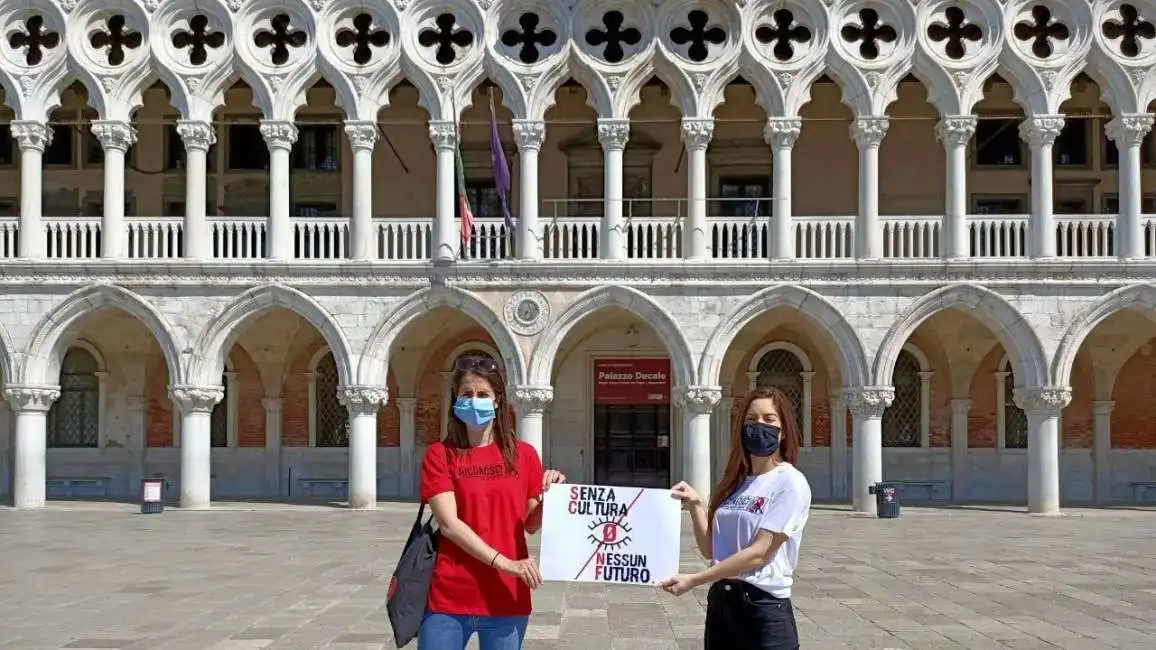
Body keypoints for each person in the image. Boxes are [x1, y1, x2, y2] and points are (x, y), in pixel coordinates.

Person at [418, 355, 565, 650]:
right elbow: (449, 524)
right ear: (456, 401)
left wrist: (553, 498)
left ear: (498, 400)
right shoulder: (439, 454)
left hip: (506, 598)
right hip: (449, 596)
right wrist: (506, 563)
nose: (474, 401)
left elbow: (530, 524)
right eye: (466, 394)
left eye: (483, 394)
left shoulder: (524, 455)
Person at [658, 386, 812, 650]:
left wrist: (694, 580)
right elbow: (711, 548)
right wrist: (696, 504)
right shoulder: (737, 483)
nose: (759, 425)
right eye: (751, 420)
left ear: (783, 430)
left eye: (769, 419)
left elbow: (759, 554)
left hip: (762, 610)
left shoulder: (790, 483)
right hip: (722, 606)